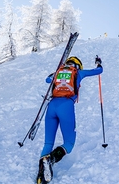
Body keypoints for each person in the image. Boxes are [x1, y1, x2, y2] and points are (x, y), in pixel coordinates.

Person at [37, 56, 103, 184]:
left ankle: (41, 176)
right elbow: (99, 71)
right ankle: (51, 159)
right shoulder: (78, 72)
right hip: (66, 106)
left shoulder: (58, 72)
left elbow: (47, 80)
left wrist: (54, 73)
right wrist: (99, 63)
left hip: (51, 106)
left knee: (48, 143)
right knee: (69, 143)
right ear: (78, 65)